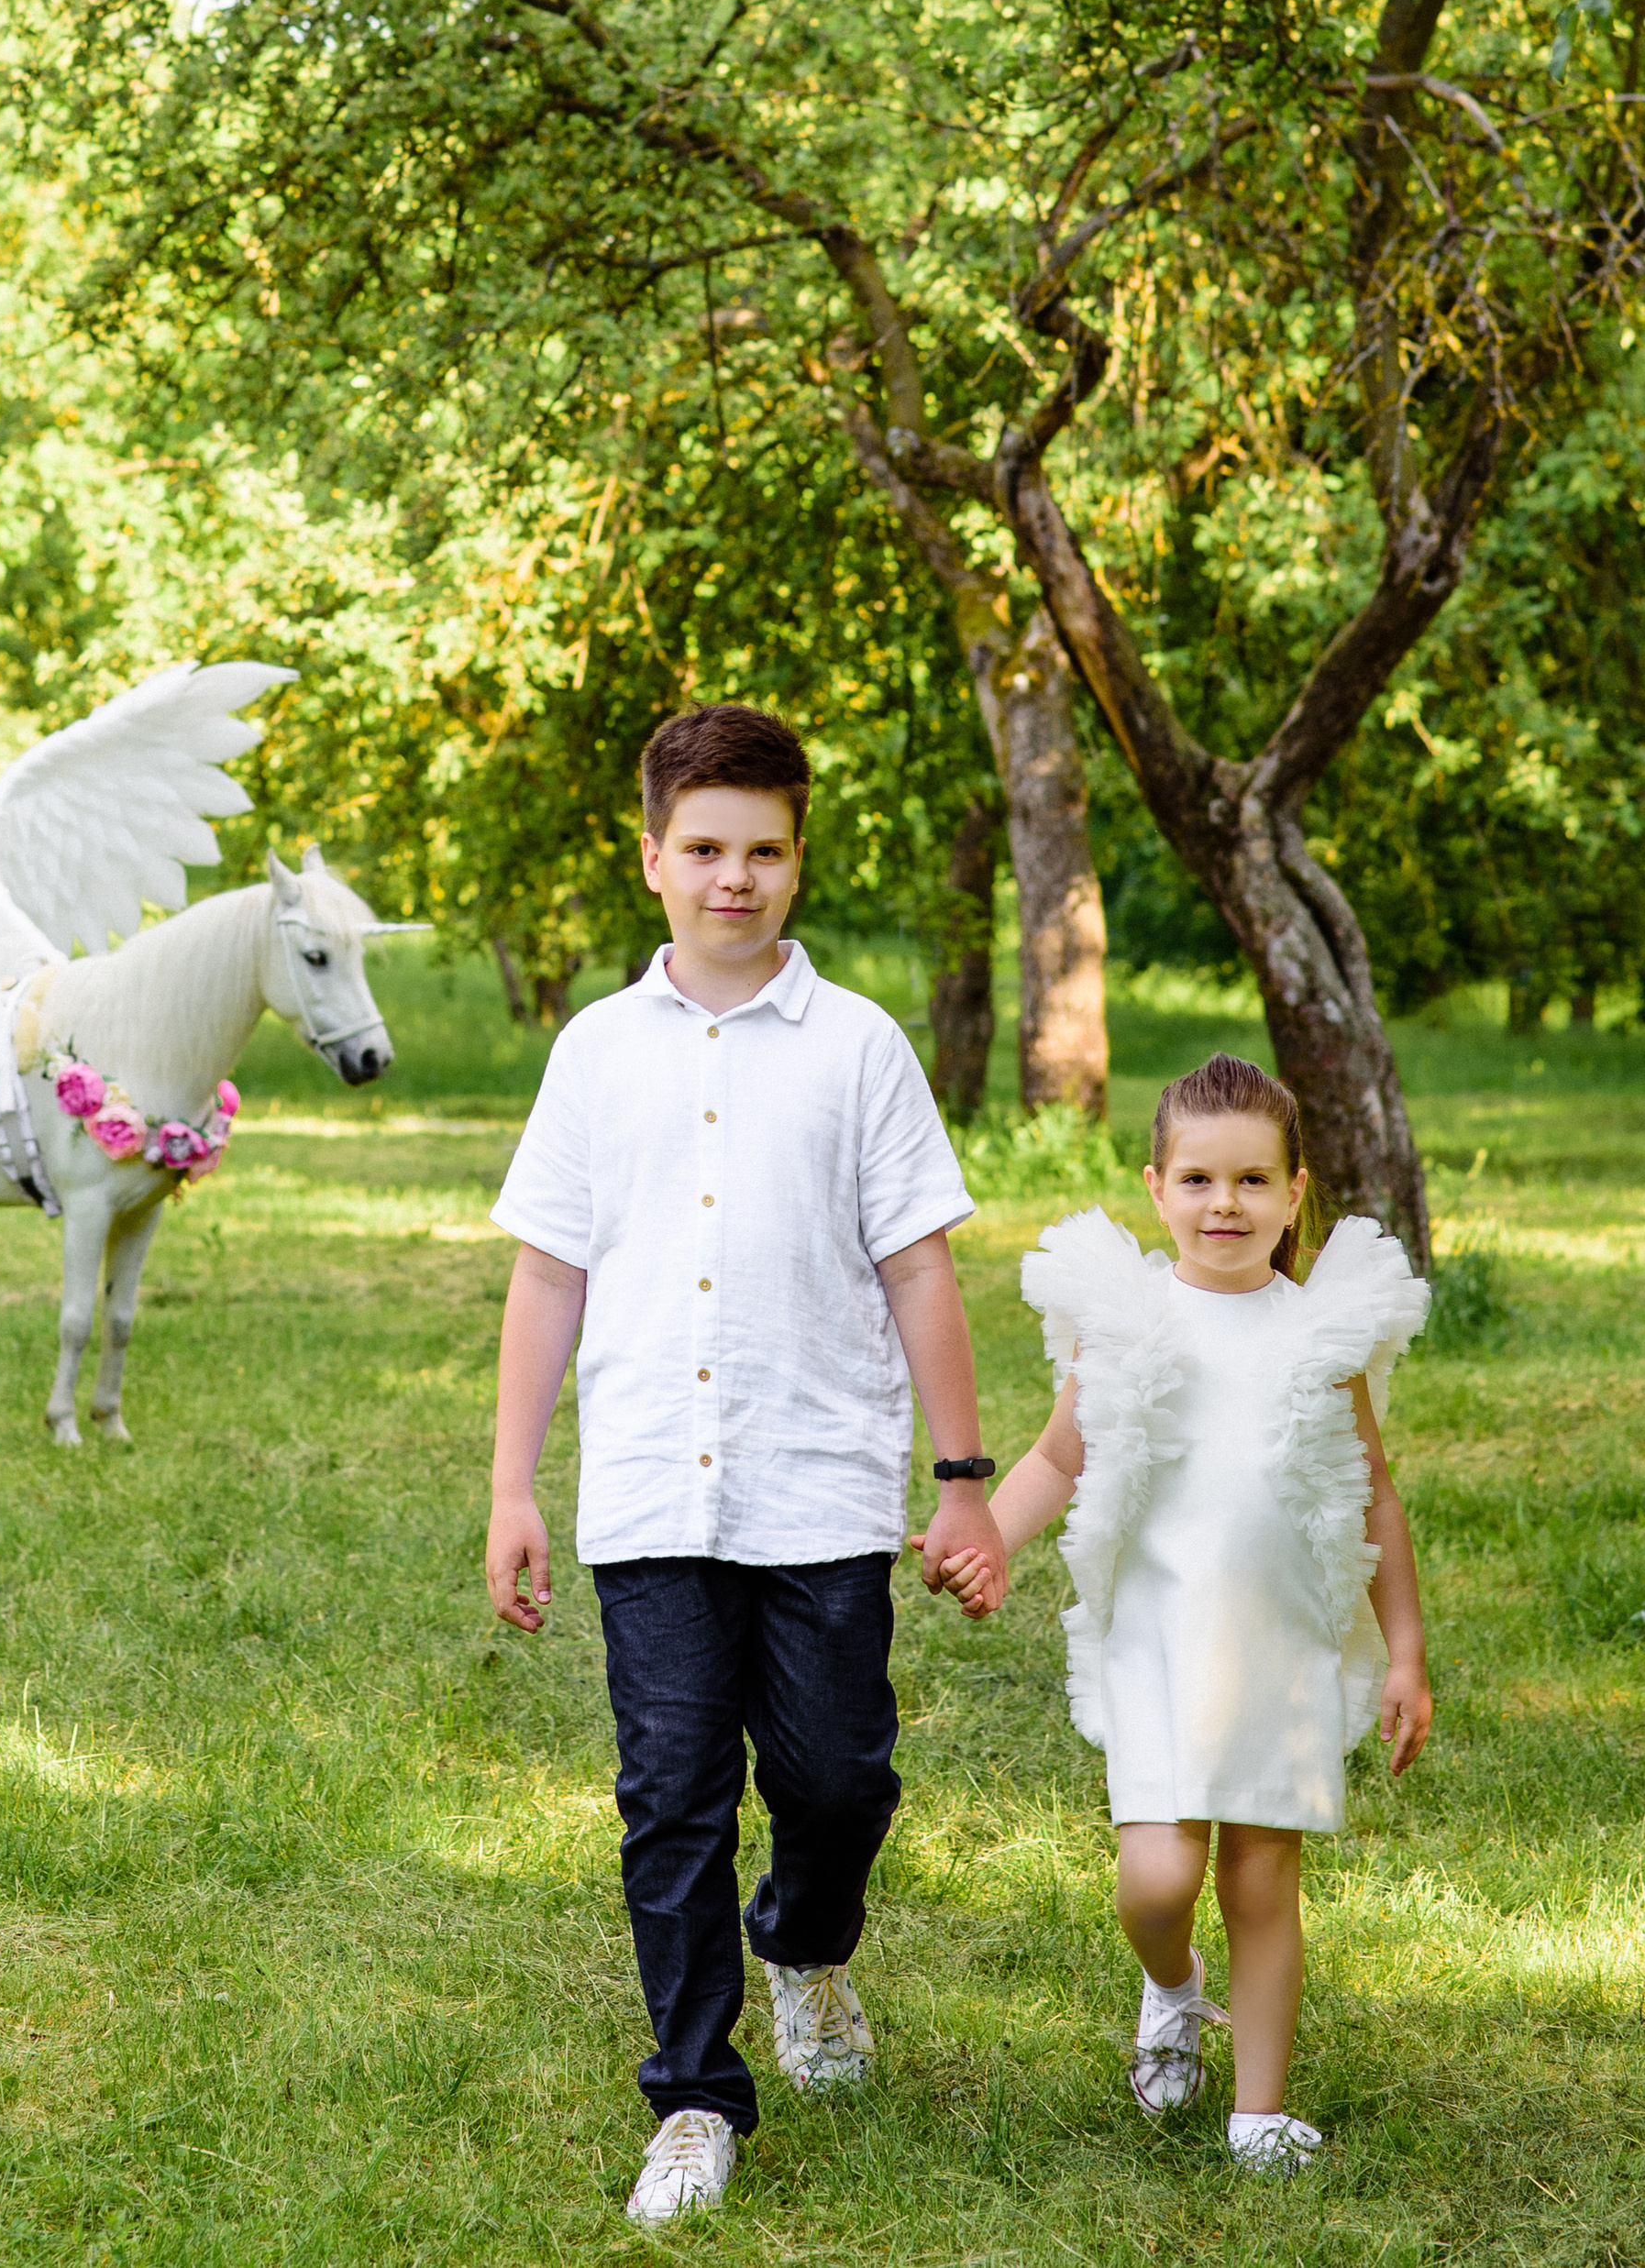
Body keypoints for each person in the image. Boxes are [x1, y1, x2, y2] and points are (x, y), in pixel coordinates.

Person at [484, 702, 1004, 2225]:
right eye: (703, 847)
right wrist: (515, 1481)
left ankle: (807, 1937)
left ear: (796, 858)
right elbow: (546, 1276)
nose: (733, 876)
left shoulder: (858, 1045)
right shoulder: (593, 1051)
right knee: (672, 1793)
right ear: (651, 856)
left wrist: (963, 1474)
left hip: (821, 1480)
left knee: (838, 1772)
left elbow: (920, 1270)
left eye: (762, 849)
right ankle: (699, 2092)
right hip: (650, 1485)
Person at [940, 1051, 1432, 2175]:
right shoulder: (1131, 1325)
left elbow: (1373, 1494)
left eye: (1253, 1181)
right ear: (1155, 1187)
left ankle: (1258, 2113)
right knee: (1158, 1879)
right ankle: (1171, 1988)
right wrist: (987, 1541)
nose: (1226, 1204)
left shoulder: (1319, 1334)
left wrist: (1402, 1651)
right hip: (1160, 1645)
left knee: (1262, 1879)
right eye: (1200, 1180)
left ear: (1295, 1192)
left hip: (1282, 1645)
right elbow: (1060, 1459)